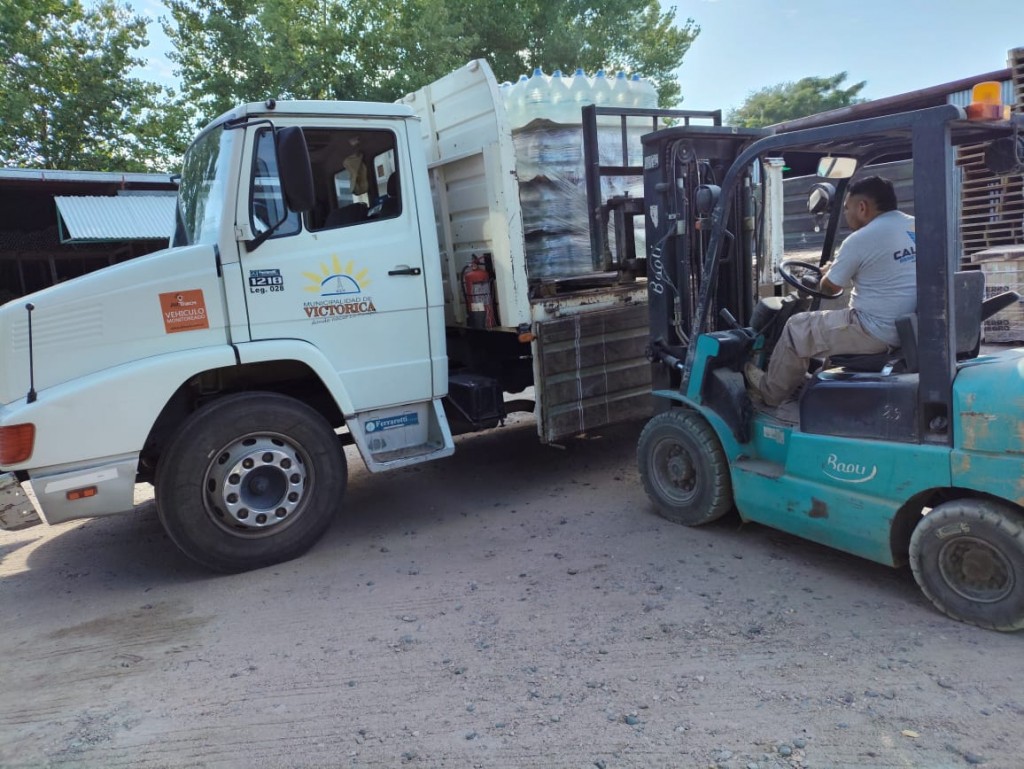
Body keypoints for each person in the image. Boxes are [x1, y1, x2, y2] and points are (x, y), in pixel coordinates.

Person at [746, 175, 917, 406]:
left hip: (875, 330)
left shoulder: (860, 239)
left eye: (847, 209)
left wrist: (827, 272)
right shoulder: (915, 225)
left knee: (797, 328)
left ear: (862, 207)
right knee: (824, 329)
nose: (846, 215)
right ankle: (810, 384)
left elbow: (829, 286)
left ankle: (770, 392)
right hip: (911, 327)